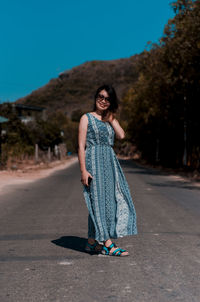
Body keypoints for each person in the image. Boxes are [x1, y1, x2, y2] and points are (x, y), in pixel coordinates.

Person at [78, 84, 137, 257]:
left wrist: (111, 118)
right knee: (97, 202)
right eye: (100, 97)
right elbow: (81, 146)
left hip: (109, 163)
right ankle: (108, 243)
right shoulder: (86, 118)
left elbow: (121, 135)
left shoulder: (109, 118)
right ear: (95, 97)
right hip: (93, 162)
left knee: (107, 202)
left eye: (107, 99)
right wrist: (83, 170)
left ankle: (91, 243)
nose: (103, 101)